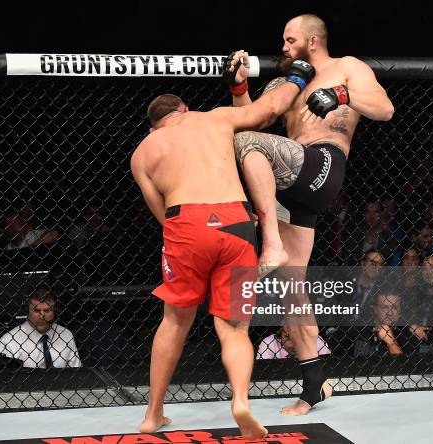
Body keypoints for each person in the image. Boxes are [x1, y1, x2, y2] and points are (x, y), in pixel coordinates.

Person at [131, 60, 315, 438]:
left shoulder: (143, 152)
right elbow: (268, 109)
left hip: (185, 222)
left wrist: (191, 237)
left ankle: (153, 414)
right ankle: (241, 401)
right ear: (183, 109)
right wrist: (298, 76)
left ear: (154, 125)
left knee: (175, 321)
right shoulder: (212, 119)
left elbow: (161, 215)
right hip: (235, 221)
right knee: (234, 328)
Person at [224, 13, 394, 415]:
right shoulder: (287, 82)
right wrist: (239, 86)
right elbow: (251, 119)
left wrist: (343, 96)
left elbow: (385, 109)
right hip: (289, 180)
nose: (282, 47)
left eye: (289, 39)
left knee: (250, 143)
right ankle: (315, 385)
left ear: (312, 41)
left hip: (323, 165)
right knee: (290, 287)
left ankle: (269, 239)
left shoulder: (346, 68)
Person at [0, 288, 82, 369]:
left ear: (55, 311)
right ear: (27, 311)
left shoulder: (65, 335)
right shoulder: (8, 343)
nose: (42, 316)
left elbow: (77, 374)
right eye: (36, 311)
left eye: (47, 310)